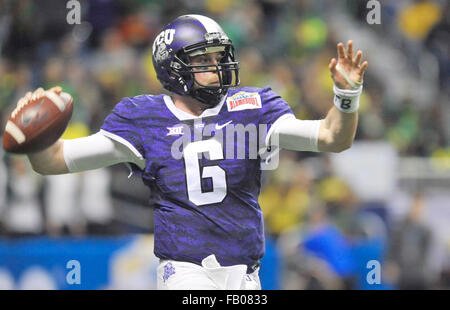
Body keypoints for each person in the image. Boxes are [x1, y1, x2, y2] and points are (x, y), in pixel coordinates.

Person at [7, 14, 368, 290]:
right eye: (205, 59)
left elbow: (333, 137)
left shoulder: (252, 106)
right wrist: (35, 138)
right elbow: (53, 161)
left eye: (220, 56)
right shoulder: (143, 118)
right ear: (174, 67)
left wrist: (347, 97)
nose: (218, 67)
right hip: (185, 270)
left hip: (245, 274)